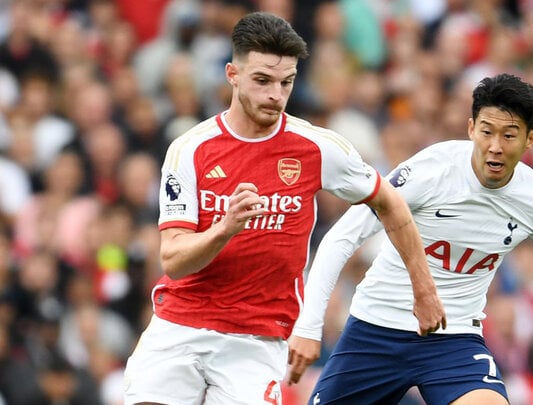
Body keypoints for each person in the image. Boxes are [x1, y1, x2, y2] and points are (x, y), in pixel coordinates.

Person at [123, 11, 446, 405]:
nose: (276, 94)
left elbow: (390, 202)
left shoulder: (317, 147)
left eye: (286, 82)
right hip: (180, 325)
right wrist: (225, 228)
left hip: (256, 340)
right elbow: (173, 259)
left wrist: (424, 287)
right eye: (262, 80)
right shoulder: (190, 149)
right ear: (232, 75)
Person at [288, 73, 533, 404]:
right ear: (470, 128)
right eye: (486, 131)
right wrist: (308, 326)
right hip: (375, 330)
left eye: (509, 135)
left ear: (530, 139)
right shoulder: (429, 172)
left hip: (454, 339)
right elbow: (341, 238)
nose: (495, 146)